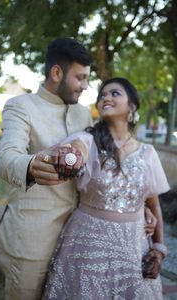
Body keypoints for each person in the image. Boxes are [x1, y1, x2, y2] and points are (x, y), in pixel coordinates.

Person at [41, 77, 170, 299]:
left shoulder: (148, 153)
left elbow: (153, 204)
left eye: (115, 93)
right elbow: (76, 150)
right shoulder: (88, 140)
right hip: (88, 245)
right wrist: (72, 156)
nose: (106, 97)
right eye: (102, 95)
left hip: (134, 247)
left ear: (132, 107)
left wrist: (158, 249)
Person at [0, 37, 93, 300]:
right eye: (80, 78)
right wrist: (31, 165)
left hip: (75, 239)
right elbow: (7, 157)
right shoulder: (20, 107)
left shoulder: (83, 114)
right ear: (56, 72)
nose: (85, 86)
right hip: (31, 239)